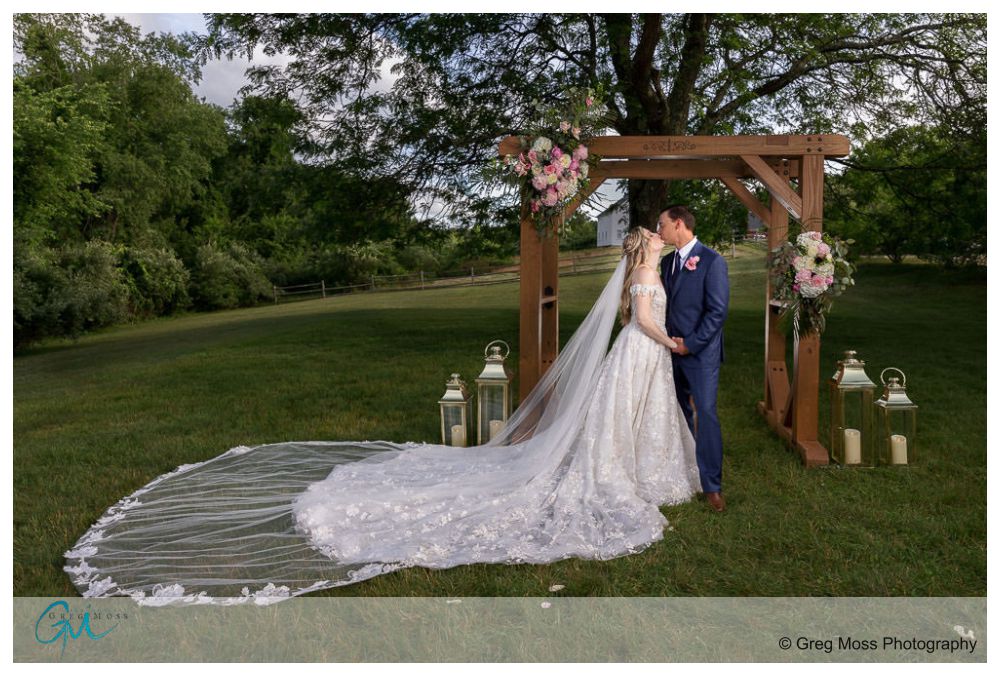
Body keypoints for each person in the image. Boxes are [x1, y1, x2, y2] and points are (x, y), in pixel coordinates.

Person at [63, 228, 700, 605]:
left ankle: (635, 467)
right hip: (646, 350)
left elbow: (630, 316)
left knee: (625, 421)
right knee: (619, 424)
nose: (650, 244)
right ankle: (630, 473)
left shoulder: (643, 269)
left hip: (635, 355)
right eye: (650, 240)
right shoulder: (648, 272)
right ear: (647, 248)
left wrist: (655, 334)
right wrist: (669, 341)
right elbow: (642, 320)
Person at [656, 206, 730, 512]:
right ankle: (684, 472)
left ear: (678, 224)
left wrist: (692, 344)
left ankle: (712, 485)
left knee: (707, 415)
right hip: (667, 351)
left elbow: (717, 312)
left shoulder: (713, 261)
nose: (658, 229)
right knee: (676, 413)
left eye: (661, 225)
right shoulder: (667, 262)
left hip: (700, 355)